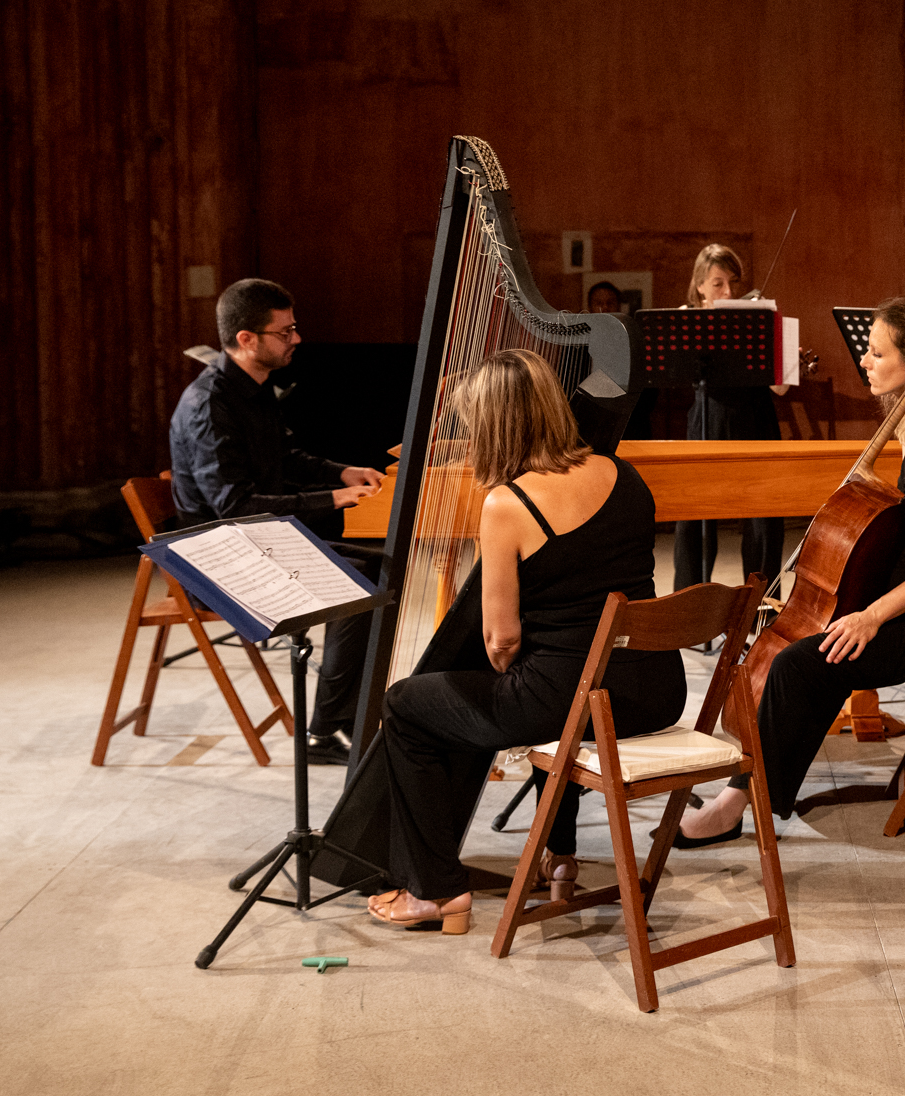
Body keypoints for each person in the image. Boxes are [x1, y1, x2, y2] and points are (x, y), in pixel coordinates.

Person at [359, 348, 686, 932]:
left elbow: (501, 641)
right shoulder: (624, 474)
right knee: (562, 679)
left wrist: (500, 678)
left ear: (494, 426)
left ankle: (435, 892)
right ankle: (559, 858)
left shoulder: (508, 503)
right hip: (654, 690)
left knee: (407, 705)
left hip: (573, 701)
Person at [677, 297, 905, 844]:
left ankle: (737, 804)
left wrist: (869, 616)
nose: (864, 362)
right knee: (817, 647)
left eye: (876, 353)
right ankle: (755, 789)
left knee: (802, 664)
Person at [169, 278, 384, 765]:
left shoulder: (254, 387)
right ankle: (325, 730)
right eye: (285, 332)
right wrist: (334, 498)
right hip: (216, 562)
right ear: (247, 339)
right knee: (363, 580)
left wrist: (342, 471)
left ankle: (345, 715)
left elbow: (285, 455)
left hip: (257, 542)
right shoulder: (210, 405)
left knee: (383, 567)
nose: (296, 339)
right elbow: (235, 507)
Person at [671, 244, 787, 592]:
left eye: (733, 283)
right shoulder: (685, 317)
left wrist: (782, 358)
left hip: (757, 419)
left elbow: (779, 390)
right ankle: (689, 608)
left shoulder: (758, 317)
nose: (729, 292)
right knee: (693, 519)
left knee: (764, 522)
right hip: (708, 417)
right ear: (700, 285)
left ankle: (761, 609)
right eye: (718, 283)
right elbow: (673, 377)